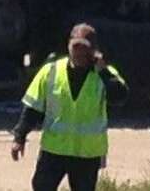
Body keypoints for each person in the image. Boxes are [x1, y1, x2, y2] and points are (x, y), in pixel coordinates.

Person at [11, 23, 128, 191]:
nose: (79, 52)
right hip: (54, 150)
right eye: (76, 46)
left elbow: (120, 97)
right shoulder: (50, 71)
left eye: (84, 47)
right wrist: (19, 136)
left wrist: (102, 71)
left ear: (94, 50)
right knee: (40, 187)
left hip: (87, 154)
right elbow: (33, 107)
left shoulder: (105, 74)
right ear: (69, 45)